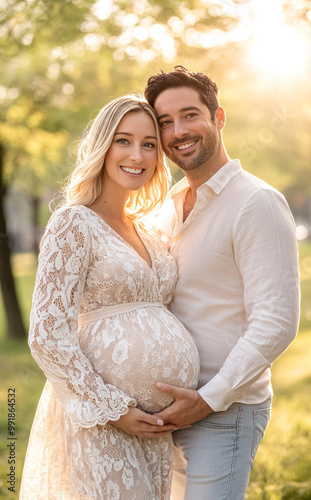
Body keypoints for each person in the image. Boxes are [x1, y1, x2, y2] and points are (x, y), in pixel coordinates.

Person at [19, 95, 200, 500]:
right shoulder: (74, 222)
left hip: (155, 430)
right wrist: (114, 411)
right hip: (100, 422)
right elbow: (47, 335)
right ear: (103, 145)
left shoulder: (149, 232)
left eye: (149, 143)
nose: (137, 154)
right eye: (124, 140)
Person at [144, 66, 300, 499]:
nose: (178, 131)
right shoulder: (168, 206)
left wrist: (208, 398)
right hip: (165, 413)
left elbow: (277, 321)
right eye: (164, 122)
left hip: (223, 413)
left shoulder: (256, 202)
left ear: (219, 117)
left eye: (190, 115)